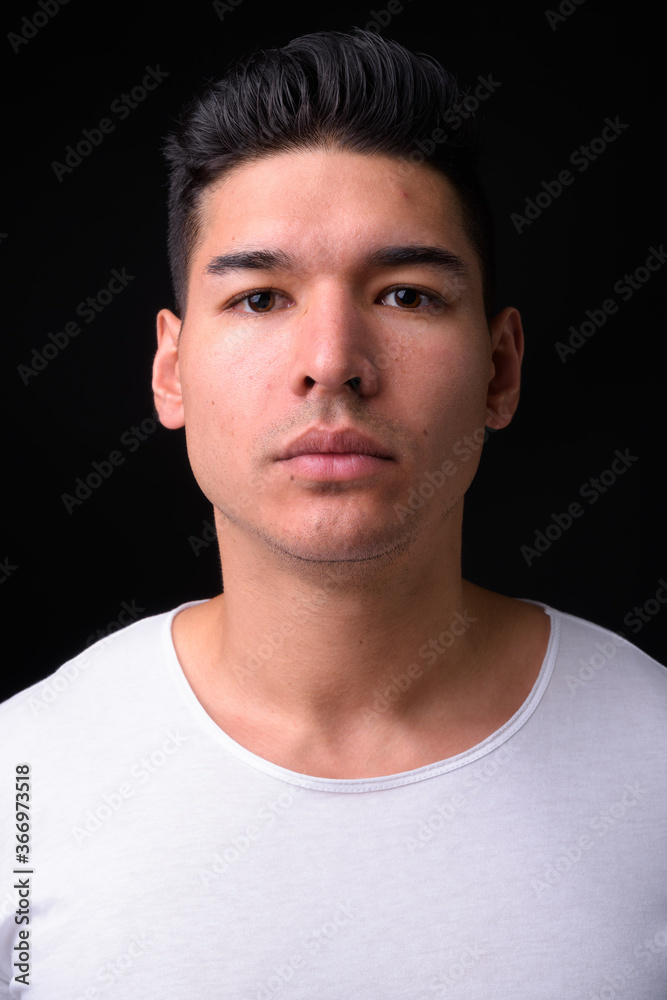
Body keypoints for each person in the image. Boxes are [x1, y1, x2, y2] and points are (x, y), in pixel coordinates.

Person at [1, 28, 665, 999]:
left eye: (404, 293)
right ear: (169, 369)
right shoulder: (25, 782)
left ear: (501, 366)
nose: (332, 359)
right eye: (262, 297)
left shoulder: (652, 764)